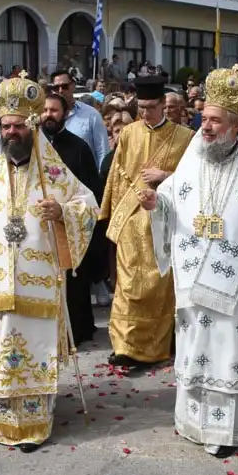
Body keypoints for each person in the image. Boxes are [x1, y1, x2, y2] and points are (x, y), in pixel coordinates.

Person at [139, 67, 238, 457]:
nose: (205, 127)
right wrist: (157, 204)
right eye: (204, 119)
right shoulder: (193, 155)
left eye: (214, 121)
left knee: (226, 350)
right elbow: (172, 197)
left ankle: (224, 432)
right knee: (195, 345)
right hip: (193, 276)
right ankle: (192, 422)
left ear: (235, 126)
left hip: (234, 281)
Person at [0, 75, 99, 452]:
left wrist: (63, 212)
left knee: (36, 351)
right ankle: (4, 421)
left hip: (41, 283)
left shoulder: (55, 174)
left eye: (19, 126)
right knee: (3, 354)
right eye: (6, 127)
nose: (12, 132)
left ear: (32, 128)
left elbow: (89, 205)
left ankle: (36, 423)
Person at [98, 76, 194, 367]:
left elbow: (195, 181)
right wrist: (115, 216)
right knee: (127, 285)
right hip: (131, 221)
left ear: (164, 104)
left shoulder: (185, 137)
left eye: (151, 107)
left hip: (164, 222)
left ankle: (155, 345)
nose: (145, 112)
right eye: (141, 107)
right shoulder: (129, 134)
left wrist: (165, 177)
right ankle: (124, 346)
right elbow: (117, 175)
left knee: (159, 286)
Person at [41, 92, 101, 343]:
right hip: (40, 226)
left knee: (74, 282)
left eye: (54, 110)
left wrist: (67, 211)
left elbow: (91, 193)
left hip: (70, 225)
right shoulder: (34, 147)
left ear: (65, 114)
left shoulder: (79, 148)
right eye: (45, 110)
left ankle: (76, 331)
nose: (48, 115)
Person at [47, 70, 110, 168]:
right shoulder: (46, 118)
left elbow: (103, 152)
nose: (60, 91)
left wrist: (102, 175)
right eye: (56, 88)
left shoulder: (92, 115)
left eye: (64, 86)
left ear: (73, 86)